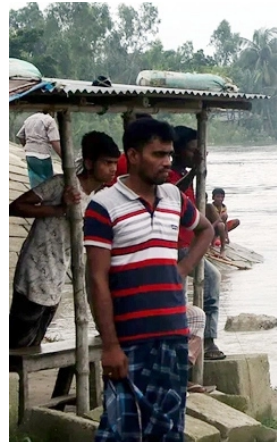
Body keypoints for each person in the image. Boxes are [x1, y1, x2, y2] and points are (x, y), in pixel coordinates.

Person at [85, 118, 214, 441]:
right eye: (158, 154)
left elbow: (206, 230)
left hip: (171, 334)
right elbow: (97, 280)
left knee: (169, 430)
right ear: (134, 154)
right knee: (120, 429)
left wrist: (182, 268)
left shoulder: (172, 197)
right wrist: (111, 346)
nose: (167, 162)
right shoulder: (104, 206)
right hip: (129, 340)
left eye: (169, 154)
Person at [9, 132, 120, 348]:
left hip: (58, 276)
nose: (113, 169)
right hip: (35, 270)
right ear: (89, 163)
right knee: (16, 343)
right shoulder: (63, 185)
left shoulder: (99, 198)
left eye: (115, 163)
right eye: (107, 163)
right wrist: (60, 208)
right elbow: (15, 207)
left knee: (34, 343)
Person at [170, 126, 226, 361]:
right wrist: (194, 171)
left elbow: (196, 207)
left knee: (199, 287)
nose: (196, 155)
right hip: (176, 246)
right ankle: (200, 342)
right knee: (205, 282)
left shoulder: (187, 175)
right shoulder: (173, 176)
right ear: (179, 150)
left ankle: (202, 340)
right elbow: (172, 192)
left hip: (188, 245)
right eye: (192, 150)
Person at [16, 111, 62, 188]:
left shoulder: (29, 119)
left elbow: (20, 136)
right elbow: (54, 141)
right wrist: (63, 157)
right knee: (47, 183)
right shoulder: (50, 120)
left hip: (30, 155)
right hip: (43, 156)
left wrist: (27, 146)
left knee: (35, 182)